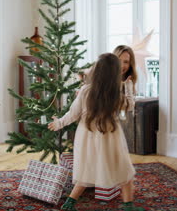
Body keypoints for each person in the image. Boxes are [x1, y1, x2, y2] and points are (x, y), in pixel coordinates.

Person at [48, 53, 144, 211]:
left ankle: (69, 203)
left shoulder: (86, 90)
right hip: (110, 137)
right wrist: (127, 87)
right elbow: (130, 106)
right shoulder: (115, 94)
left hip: (87, 136)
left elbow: (73, 113)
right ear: (115, 74)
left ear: (97, 71)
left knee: (87, 169)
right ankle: (129, 206)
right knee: (124, 171)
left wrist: (59, 123)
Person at [113, 45, 138, 113]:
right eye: (119, 60)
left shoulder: (129, 82)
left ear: (130, 65)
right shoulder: (106, 81)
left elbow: (129, 107)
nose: (121, 65)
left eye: (126, 62)